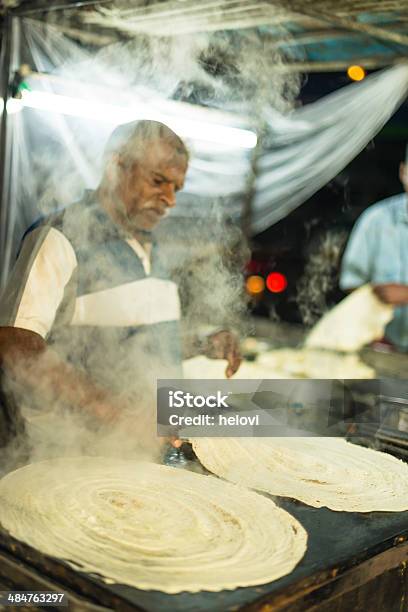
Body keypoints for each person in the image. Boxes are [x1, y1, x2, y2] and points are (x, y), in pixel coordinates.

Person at [0, 120, 241, 455]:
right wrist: (115, 413)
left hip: (144, 451)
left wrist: (201, 345)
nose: (169, 199)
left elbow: (131, 345)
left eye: (176, 188)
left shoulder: (152, 249)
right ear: (116, 165)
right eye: (158, 181)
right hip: (69, 455)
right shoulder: (61, 236)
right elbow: (15, 343)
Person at [340, 153, 408, 352]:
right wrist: (373, 295)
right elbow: (352, 282)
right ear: (403, 172)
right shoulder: (376, 219)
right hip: (383, 347)